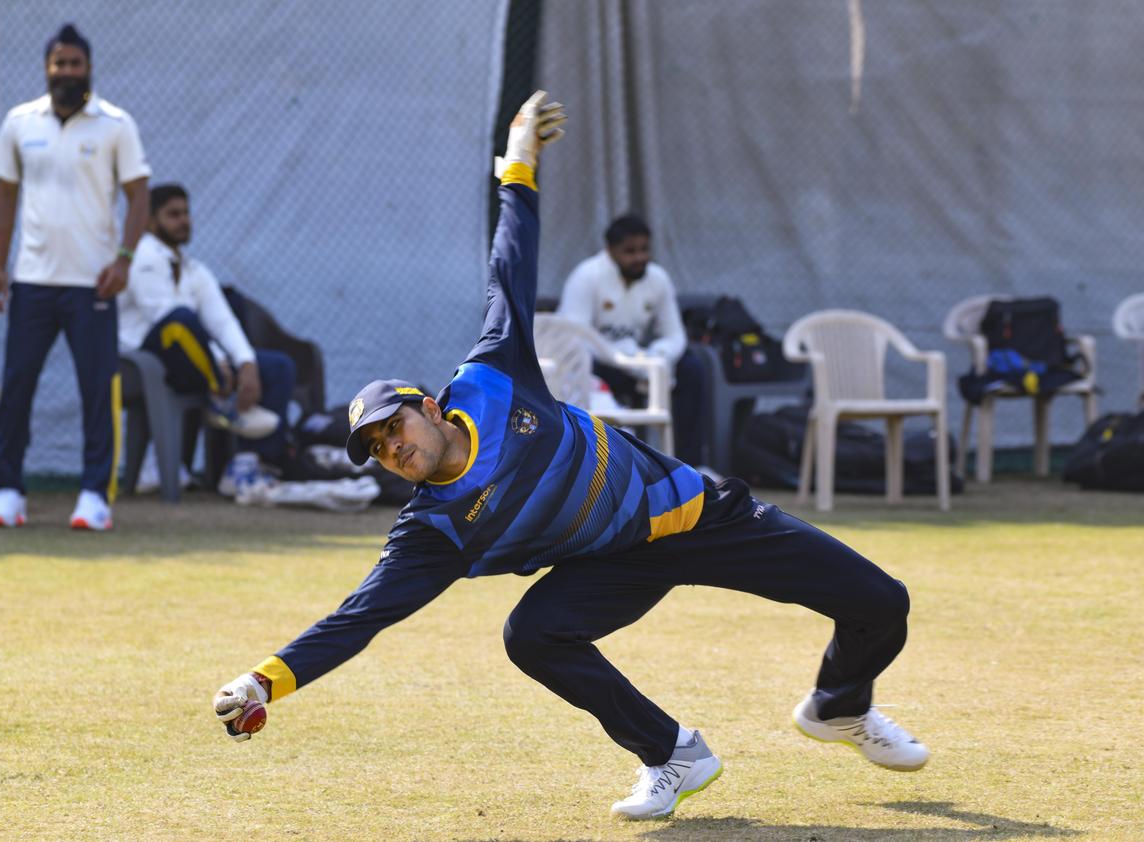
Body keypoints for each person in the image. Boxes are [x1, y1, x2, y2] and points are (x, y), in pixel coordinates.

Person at [213, 92, 928, 820]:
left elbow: (509, 267)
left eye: (395, 429)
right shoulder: (435, 530)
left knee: (882, 603)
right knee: (532, 635)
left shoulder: (493, 375)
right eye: (377, 451)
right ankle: (672, 754)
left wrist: (517, 165)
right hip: (611, 562)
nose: (393, 450)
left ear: (428, 407)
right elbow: (360, 616)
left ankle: (838, 706)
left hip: (697, 516)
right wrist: (265, 681)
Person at [0, 23, 151, 532]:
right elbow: (4, 194)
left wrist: (123, 259)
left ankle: (94, 496)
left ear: (89, 68)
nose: (67, 72)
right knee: (16, 386)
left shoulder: (115, 124)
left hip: (92, 283)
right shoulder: (19, 122)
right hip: (32, 281)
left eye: (76, 64)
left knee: (98, 389)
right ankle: (7, 491)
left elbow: (140, 193)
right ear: (46, 68)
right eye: (59, 64)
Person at [118, 183, 296, 492]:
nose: (184, 220)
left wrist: (246, 363)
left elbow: (222, 320)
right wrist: (218, 362)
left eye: (186, 213)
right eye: (173, 214)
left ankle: (248, 466)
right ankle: (221, 399)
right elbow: (162, 316)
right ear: (149, 220)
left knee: (278, 366)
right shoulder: (140, 256)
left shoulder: (193, 268)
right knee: (179, 321)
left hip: (194, 362)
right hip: (145, 364)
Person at [557, 217, 711, 468]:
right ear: (610, 250)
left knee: (691, 369)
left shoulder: (657, 278)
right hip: (594, 362)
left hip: (638, 360)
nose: (639, 257)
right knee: (591, 368)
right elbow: (576, 337)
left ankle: (689, 466)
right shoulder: (587, 276)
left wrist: (659, 356)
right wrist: (624, 360)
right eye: (629, 251)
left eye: (644, 249)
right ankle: (607, 466)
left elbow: (675, 335)